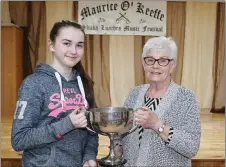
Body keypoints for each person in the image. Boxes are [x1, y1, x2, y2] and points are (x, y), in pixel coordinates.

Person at [11, 20, 98, 167]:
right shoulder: (34, 84)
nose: (74, 51)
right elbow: (19, 139)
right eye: (66, 43)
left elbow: (91, 130)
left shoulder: (83, 83)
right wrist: (67, 124)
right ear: (51, 45)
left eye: (79, 45)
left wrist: (89, 155)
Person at [117, 36, 201, 167]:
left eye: (163, 61)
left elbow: (191, 146)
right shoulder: (134, 94)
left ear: (172, 65)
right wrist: (115, 152)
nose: (155, 66)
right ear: (144, 64)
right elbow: (121, 134)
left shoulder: (186, 97)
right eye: (150, 60)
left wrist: (157, 125)